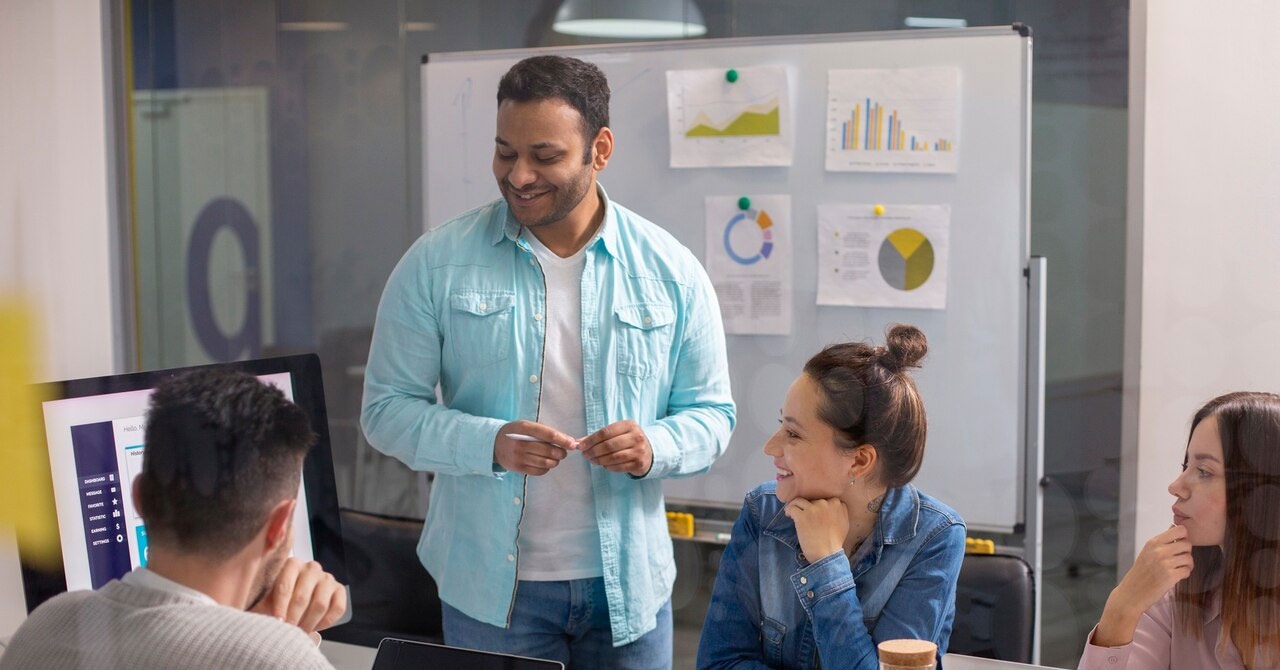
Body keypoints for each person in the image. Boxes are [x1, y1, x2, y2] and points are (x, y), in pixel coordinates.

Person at [361, 54, 735, 668]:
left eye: (545, 155)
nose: (519, 175)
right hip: (491, 592)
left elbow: (713, 415)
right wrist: (489, 443)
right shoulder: (436, 263)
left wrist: (653, 447)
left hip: (629, 589)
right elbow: (385, 411)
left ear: (600, 150)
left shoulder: (671, 271)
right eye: (505, 152)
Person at [0, 369, 347, 670]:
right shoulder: (281, 661)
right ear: (279, 526)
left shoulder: (46, 626)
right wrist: (280, 642)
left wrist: (258, 633)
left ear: (138, 496)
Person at [697, 325, 966, 670]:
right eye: (781, 425)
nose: (770, 447)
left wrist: (826, 563)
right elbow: (718, 664)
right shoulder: (762, 512)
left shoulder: (935, 536)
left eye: (793, 434)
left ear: (859, 460)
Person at [1079, 392, 1280, 670]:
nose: (1176, 487)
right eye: (1186, 466)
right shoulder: (1173, 596)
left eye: (1204, 471)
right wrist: (1122, 608)